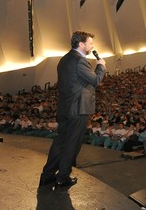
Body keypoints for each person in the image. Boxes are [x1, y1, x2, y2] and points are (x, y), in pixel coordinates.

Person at [39, 31, 106, 190]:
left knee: (59, 143)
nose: (92, 46)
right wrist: (101, 66)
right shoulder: (79, 61)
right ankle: (62, 177)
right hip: (78, 109)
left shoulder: (64, 59)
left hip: (65, 108)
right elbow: (96, 80)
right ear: (81, 44)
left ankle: (47, 176)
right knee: (72, 144)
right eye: (90, 43)